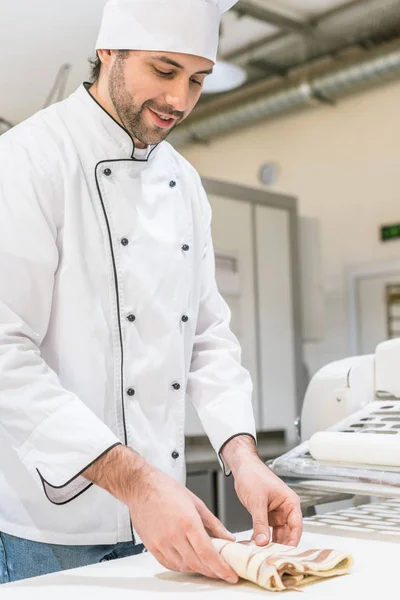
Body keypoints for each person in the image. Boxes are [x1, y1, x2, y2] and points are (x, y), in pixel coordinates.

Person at [0, 0, 302, 585]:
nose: (180, 100)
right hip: (52, 526)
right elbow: (4, 353)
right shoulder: (27, 160)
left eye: (197, 80)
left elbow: (208, 336)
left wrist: (243, 457)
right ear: (108, 51)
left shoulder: (183, 181)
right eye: (164, 72)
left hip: (160, 521)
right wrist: (138, 484)